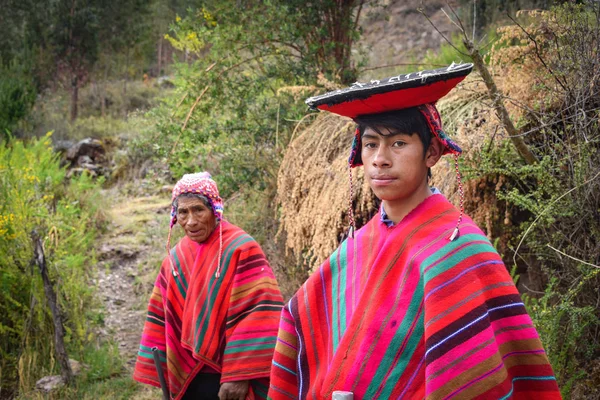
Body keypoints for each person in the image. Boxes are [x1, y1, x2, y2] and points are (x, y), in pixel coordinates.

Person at [268, 64, 561, 399]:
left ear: (432, 153)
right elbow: (300, 316)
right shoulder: (359, 244)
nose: (380, 159)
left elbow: (471, 370)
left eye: (399, 143)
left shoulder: (460, 247)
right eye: (371, 144)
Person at [134, 172, 284, 400]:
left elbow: (260, 312)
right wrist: (164, 368)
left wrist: (238, 374)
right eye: (183, 212)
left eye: (198, 210)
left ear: (214, 210)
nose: (191, 221)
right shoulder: (176, 258)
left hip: (227, 375)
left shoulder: (240, 248)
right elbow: (162, 316)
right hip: (191, 379)